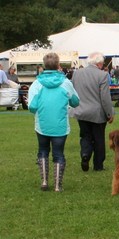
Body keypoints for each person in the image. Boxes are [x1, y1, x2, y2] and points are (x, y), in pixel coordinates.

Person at [28, 52, 80, 192]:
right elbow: (75, 102)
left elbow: (32, 107)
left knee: (43, 150)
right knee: (58, 153)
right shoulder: (65, 83)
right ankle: (58, 185)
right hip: (61, 126)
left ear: (44, 65)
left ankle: (44, 181)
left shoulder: (36, 84)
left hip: (42, 125)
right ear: (58, 65)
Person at [71, 52, 115, 171]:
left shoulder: (77, 73)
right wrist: (109, 113)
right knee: (98, 139)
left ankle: (85, 154)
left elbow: (73, 91)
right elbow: (105, 98)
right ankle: (98, 165)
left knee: (85, 136)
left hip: (81, 111)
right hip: (97, 113)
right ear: (99, 63)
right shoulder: (103, 75)